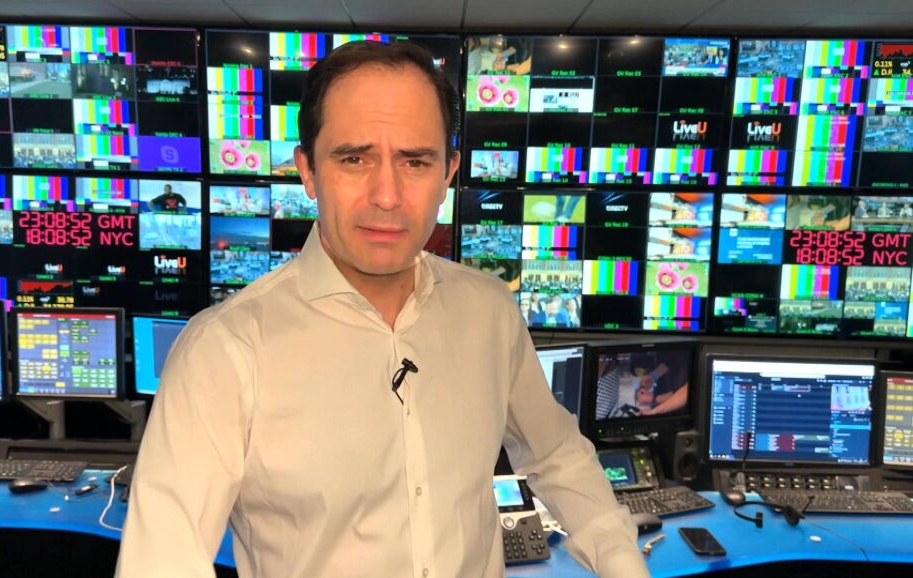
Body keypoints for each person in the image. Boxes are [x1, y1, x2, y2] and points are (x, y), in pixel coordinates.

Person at [116, 40, 646, 578]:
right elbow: (161, 562)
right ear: (307, 170)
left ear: (447, 174)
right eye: (354, 158)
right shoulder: (223, 349)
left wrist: (623, 563)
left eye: (415, 161)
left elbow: (557, 454)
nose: (387, 196)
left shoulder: (489, 311)